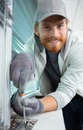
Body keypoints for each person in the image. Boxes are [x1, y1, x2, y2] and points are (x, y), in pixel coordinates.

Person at [10, 0, 83, 130]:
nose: (54, 34)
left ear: (67, 25)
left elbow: (67, 90)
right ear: (36, 29)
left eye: (60, 26)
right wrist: (19, 96)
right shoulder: (31, 45)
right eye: (46, 27)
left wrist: (38, 106)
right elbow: (29, 75)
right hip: (58, 97)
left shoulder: (79, 50)